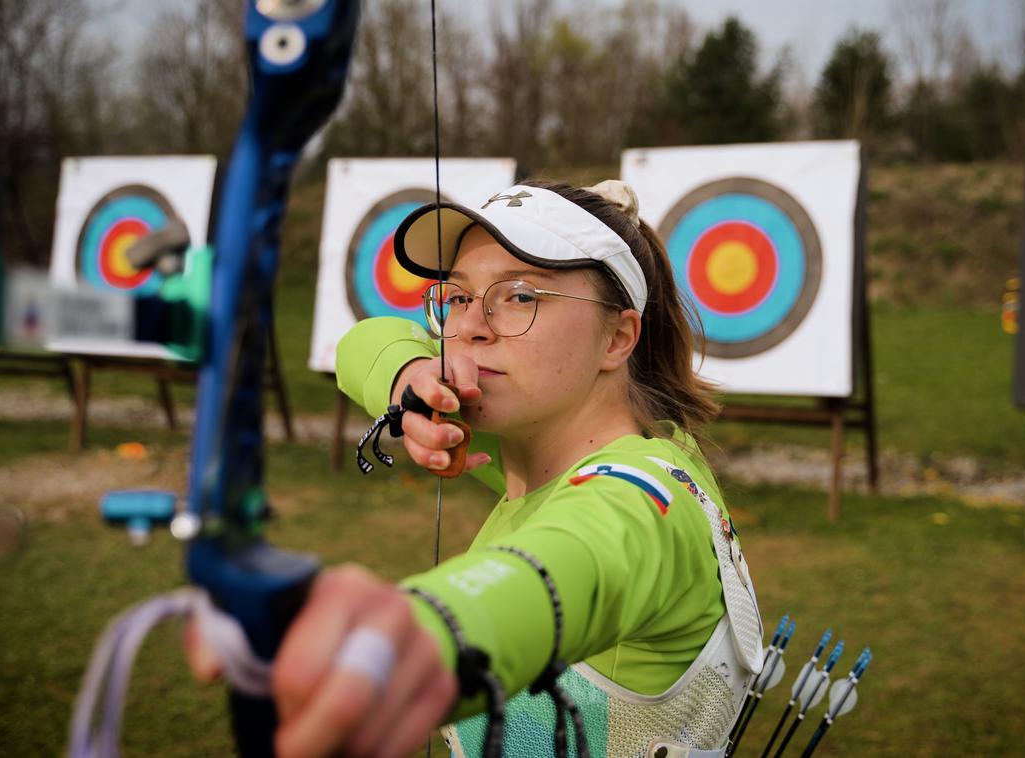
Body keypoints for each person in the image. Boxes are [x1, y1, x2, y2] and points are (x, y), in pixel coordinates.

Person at [187, 179, 765, 758]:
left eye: (520, 295)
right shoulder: (568, 451)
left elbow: (571, 565)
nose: (467, 328)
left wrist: (406, 638)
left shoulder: (646, 496)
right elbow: (361, 342)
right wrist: (408, 373)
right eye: (458, 297)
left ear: (617, 337)